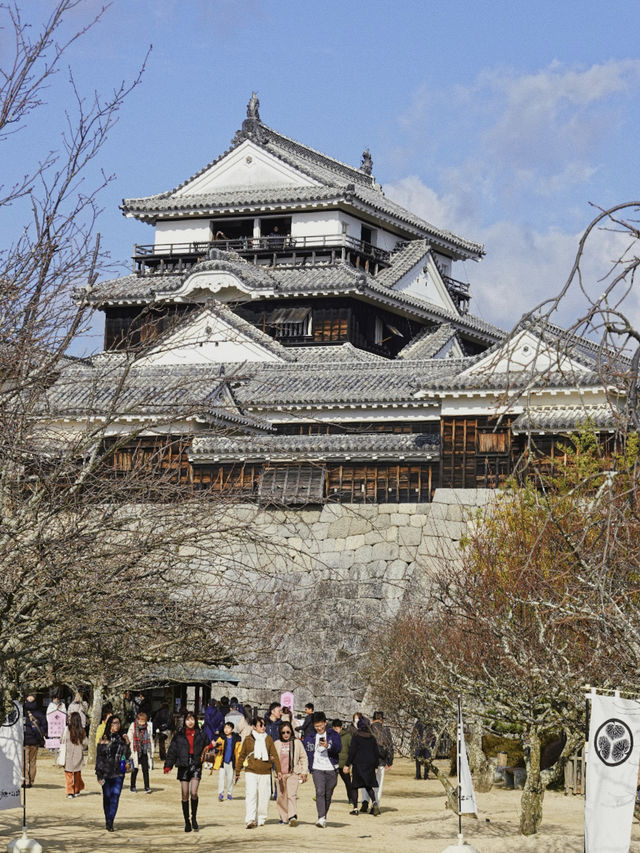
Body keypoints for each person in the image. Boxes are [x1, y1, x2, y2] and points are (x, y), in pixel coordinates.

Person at [163, 710, 210, 833]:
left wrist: (211, 747)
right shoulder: (179, 735)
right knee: (185, 794)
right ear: (184, 721)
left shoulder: (201, 734)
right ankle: (187, 821)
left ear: (196, 721)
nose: (190, 722)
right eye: (188, 719)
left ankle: (194, 817)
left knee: (193, 792)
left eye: (192, 719)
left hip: (196, 765)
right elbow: (172, 750)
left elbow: (209, 745)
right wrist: (168, 765)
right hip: (183, 765)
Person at [235, 716, 281, 829]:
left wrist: (278, 770)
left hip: (265, 771)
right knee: (251, 795)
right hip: (251, 771)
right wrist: (237, 771)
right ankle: (250, 819)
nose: (263, 727)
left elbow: (275, 755)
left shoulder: (268, 739)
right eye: (261, 725)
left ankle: (261, 817)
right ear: (254, 727)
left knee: (264, 796)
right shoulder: (248, 739)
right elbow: (242, 756)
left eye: (265, 725)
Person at [303, 711, 341, 828]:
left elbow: (338, 748)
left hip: (331, 768)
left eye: (320, 725)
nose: (319, 728)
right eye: (316, 726)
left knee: (328, 795)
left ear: (325, 723)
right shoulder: (310, 736)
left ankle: (323, 815)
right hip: (317, 768)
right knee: (320, 792)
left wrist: (328, 746)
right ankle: (321, 818)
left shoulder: (333, 734)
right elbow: (305, 751)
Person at [96, 714, 130, 831]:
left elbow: (126, 755)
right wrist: (99, 774)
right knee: (107, 797)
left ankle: (110, 821)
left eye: (118, 723)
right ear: (110, 725)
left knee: (115, 796)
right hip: (105, 772)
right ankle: (107, 819)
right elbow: (99, 758)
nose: (117, 725)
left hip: (118, 772)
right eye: (115, 723)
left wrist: (127, 743)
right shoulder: (103, 740)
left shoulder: (122, 739)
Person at [274, 721, 308, 826]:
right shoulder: (276, 743)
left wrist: (304, 772)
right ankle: (284, 817)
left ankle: (292, 816)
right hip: (280, 774)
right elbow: (273, 759)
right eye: (283, 732)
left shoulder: (297, 743)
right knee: (281, 797)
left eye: (288, 732)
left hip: (293, 772)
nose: (285, 735)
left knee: (291, 795)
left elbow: (303, 757)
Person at [344, 715, 380, 815]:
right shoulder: (372, 737)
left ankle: (355, 809)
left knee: (355, 787)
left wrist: (347, 764)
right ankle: (374, 802)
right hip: (370, 764)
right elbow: (376, 752)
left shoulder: (356, 736)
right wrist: (376, 766)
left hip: (358, 764)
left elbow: (352, 751)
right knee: (368, 786)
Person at [361, 710, 394, 810]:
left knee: (365, 782)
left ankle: (365, 801)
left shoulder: (367, 729)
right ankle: (376, 804)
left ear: (373, 719)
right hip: (381, 760)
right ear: (382, 720)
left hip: (367, 760)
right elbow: (390, 747)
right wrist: (389, 761)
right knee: (378, 784)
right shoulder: (386, 731)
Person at [59, 711, 88, 798]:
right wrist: (81, 748)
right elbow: (86, 742)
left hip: (68, 755)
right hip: (78, 755)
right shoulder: (82, 731)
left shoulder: (66, 729)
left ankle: (70, 792)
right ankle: (76, 789)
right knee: (77, 774)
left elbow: (61, 740)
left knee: (68, 774)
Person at [213, 721, 241, 802]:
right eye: (225, 728)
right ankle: (221, 793)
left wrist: (239, 762)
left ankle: (229, 793)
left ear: (232, 730)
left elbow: (238, 751)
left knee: (230, 778)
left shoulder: (236, 739)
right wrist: (217, 745)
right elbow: (218, 746)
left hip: (231, 762)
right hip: (223, 761)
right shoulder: (222, 738)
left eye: (228, 728)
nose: (226, 730)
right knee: (221, 778)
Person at [127, 710, 154, 793]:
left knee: (145, 769)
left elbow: (150, 739)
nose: (142, 722)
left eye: (143, 720)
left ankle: (147, 787)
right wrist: (131, 749)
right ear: (137, 720)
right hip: (135, 750)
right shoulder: (133, 726)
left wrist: (152, 750)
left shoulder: (148, 727)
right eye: (140, 720)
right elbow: (129, 737)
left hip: (144, 750)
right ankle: (132, 786)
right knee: (135, 769)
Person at [23, 695, 47, 787]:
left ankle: (26, 781)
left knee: (24, 762)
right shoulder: (39, 713)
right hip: (35, 741)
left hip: (25, 740)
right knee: (33, 762)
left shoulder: (22, 713)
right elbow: (44, 726)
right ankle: (32, 780)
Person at [332, 718, 354, 808]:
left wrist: (348, 764)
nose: (335, 731)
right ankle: (323, 796)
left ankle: (351, 799)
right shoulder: (331, 736)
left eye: (337, 729)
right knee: (330, 783)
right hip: (333, 763)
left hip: (344, 764)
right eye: (334, 729)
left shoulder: (348, 736)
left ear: (341, 728)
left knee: (348, 783)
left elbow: (352, 750)